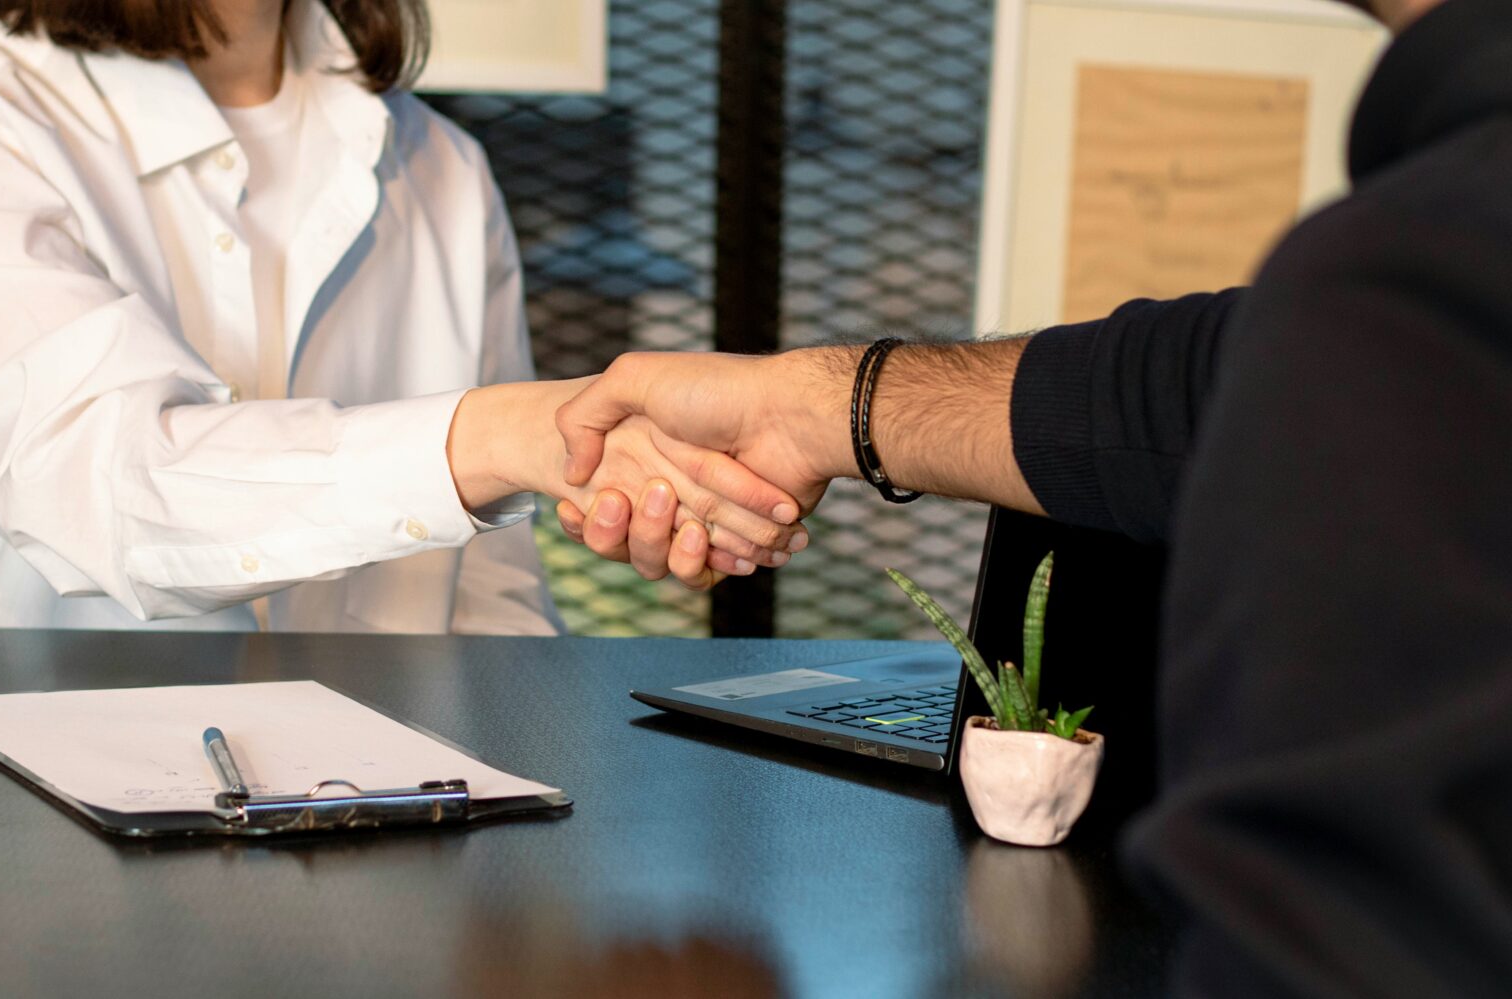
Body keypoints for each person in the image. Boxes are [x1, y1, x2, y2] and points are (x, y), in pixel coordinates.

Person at [554, 0, 1512, 993]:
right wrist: (808, 408)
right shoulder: (1426, 254)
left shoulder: (1426, 260)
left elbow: (1331, 933)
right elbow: (1210, 388)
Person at [0, 0, 802, 634]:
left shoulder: (444, 168)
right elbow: (112, 488)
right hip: (15, 805)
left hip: (371, 818)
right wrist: (500, 435)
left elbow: (494, 599)